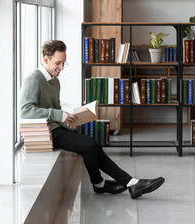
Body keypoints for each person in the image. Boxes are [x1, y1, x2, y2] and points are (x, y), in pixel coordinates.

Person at [19, 40, 165, 199]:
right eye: (58, 63)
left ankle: (123, 183)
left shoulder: (55, 81)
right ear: (46, 59)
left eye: (63, 63)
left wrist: (68, 122)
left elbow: (55, 109)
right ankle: (113, 184)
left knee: (92, 144)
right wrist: (59, 116)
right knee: (89, 145)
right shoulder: (33, 79)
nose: (61, 68)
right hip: (44, 133)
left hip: (55, 128)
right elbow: (26, 110)